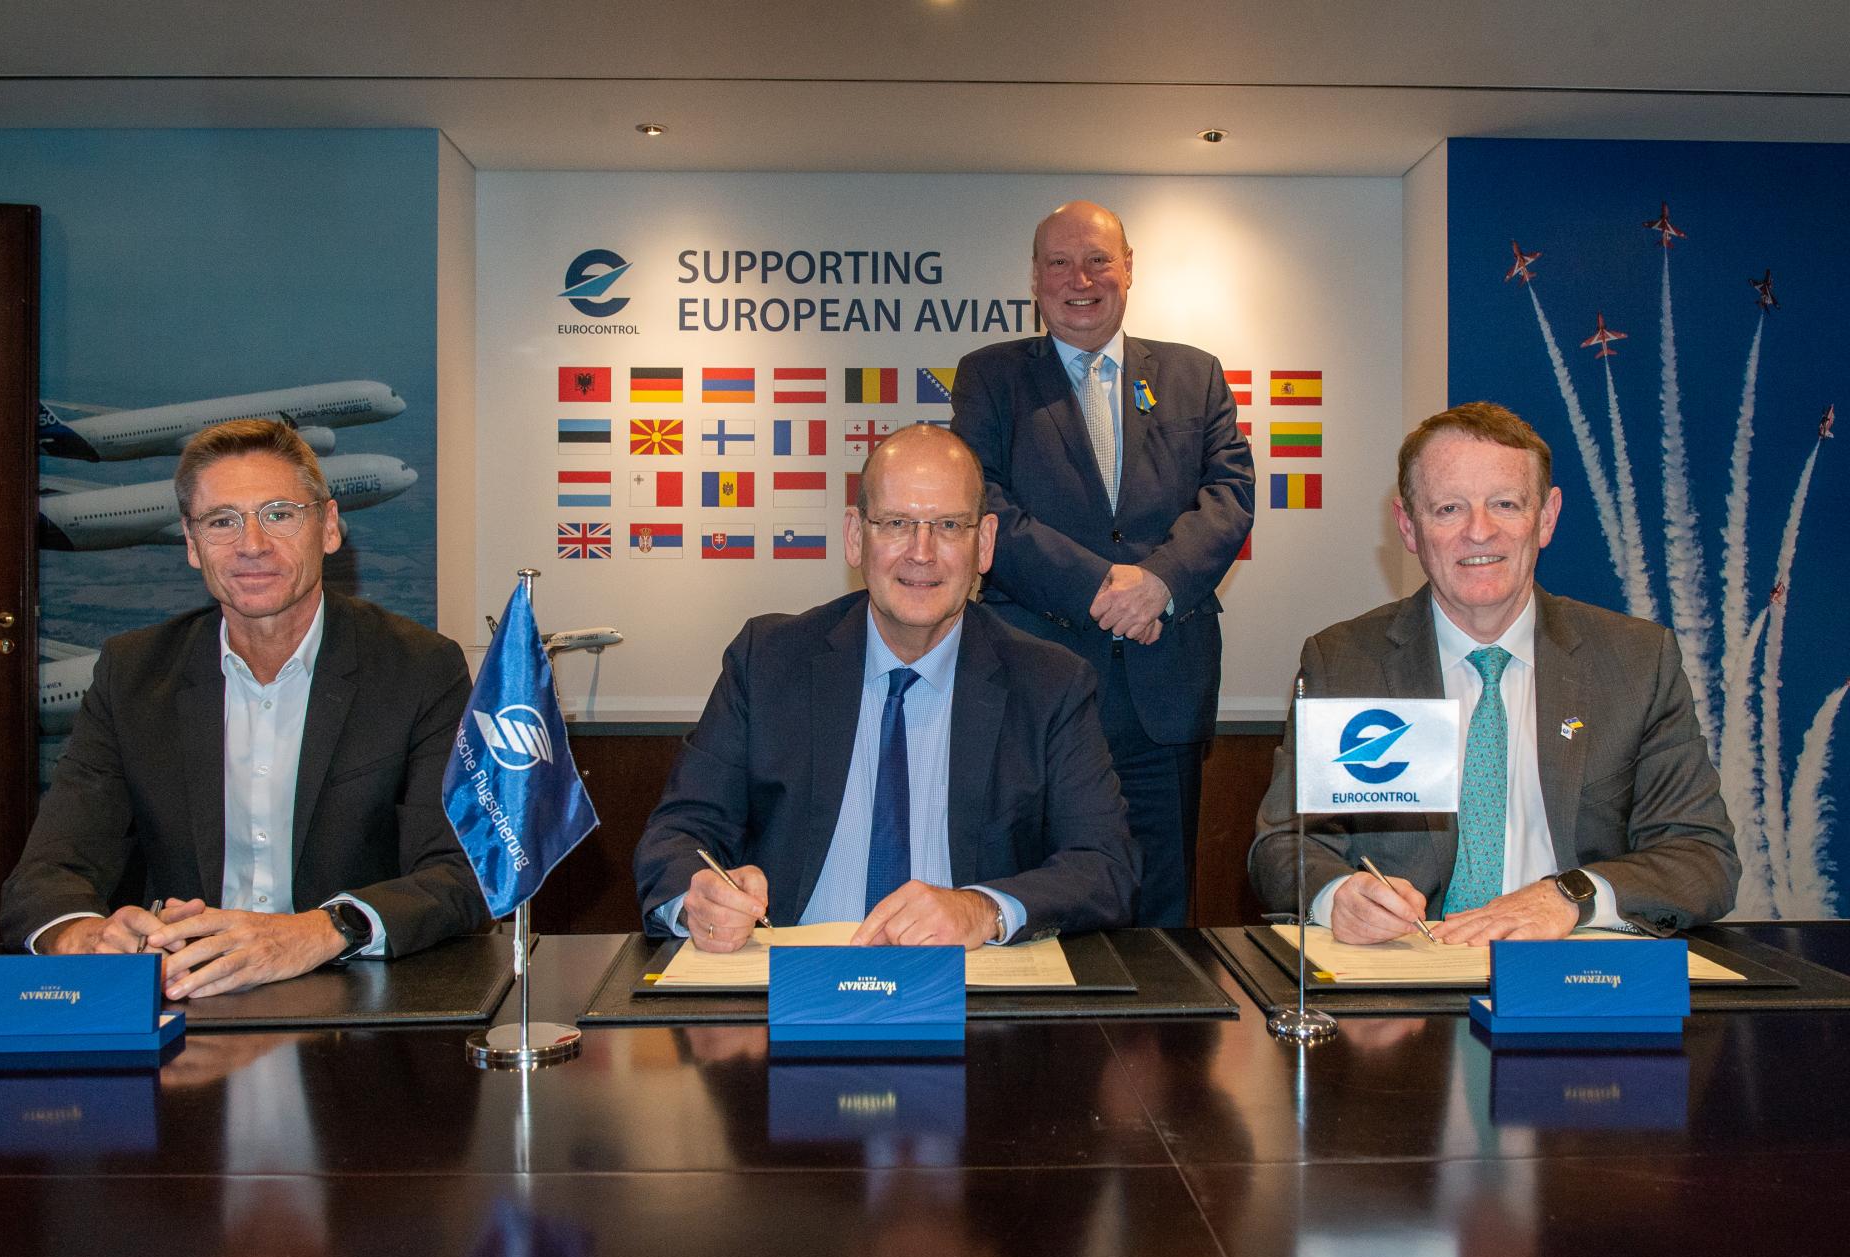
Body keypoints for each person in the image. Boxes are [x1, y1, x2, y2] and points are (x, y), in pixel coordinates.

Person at [1, 418, 488, 997]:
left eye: (279, 514)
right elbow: (48, 872)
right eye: (221, 521)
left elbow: (462, 873)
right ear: (191, 544)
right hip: (185, 1003)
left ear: (329, 527)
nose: (252, 544)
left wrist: (320, 930)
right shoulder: (133, 674)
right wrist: (85, 936)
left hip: (353, 1001)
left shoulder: (419, 668)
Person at [634, 424, 1138, 951]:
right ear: (856, 536)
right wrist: (700, 899)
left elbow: (1105, 865)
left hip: (966, 981)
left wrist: (984, 909)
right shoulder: (768, 661)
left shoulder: (1050, 683)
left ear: (984, 544)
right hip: (792, 976)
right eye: (896, 523)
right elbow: (678, 834)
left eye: (948, 525)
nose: (921, 552)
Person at [1249, 402, 1738, 943]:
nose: (1479, 532)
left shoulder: (1636, 662)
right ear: (1408, 527)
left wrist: (1571, 896)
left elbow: (1702, 857)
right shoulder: (1344, 661)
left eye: (1505, 504)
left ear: (1546, 517)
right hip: (1409, 964)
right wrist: (1338, 894)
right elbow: (1284, 845)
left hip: (1573, 964)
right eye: (1449, 509)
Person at [952, 199, 1254, 927]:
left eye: (1096, 260)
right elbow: (985, 504)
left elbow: (1230, 495)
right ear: (1034, 277)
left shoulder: (1194, 374)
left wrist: (1160, 583)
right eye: (1059, 262)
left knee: (1162, 909)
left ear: (1128, 268)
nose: (1079, 279)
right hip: (1034, 683)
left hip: (1162, 686)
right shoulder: (990, 377)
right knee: (1033, 899)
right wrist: (1103, 588)